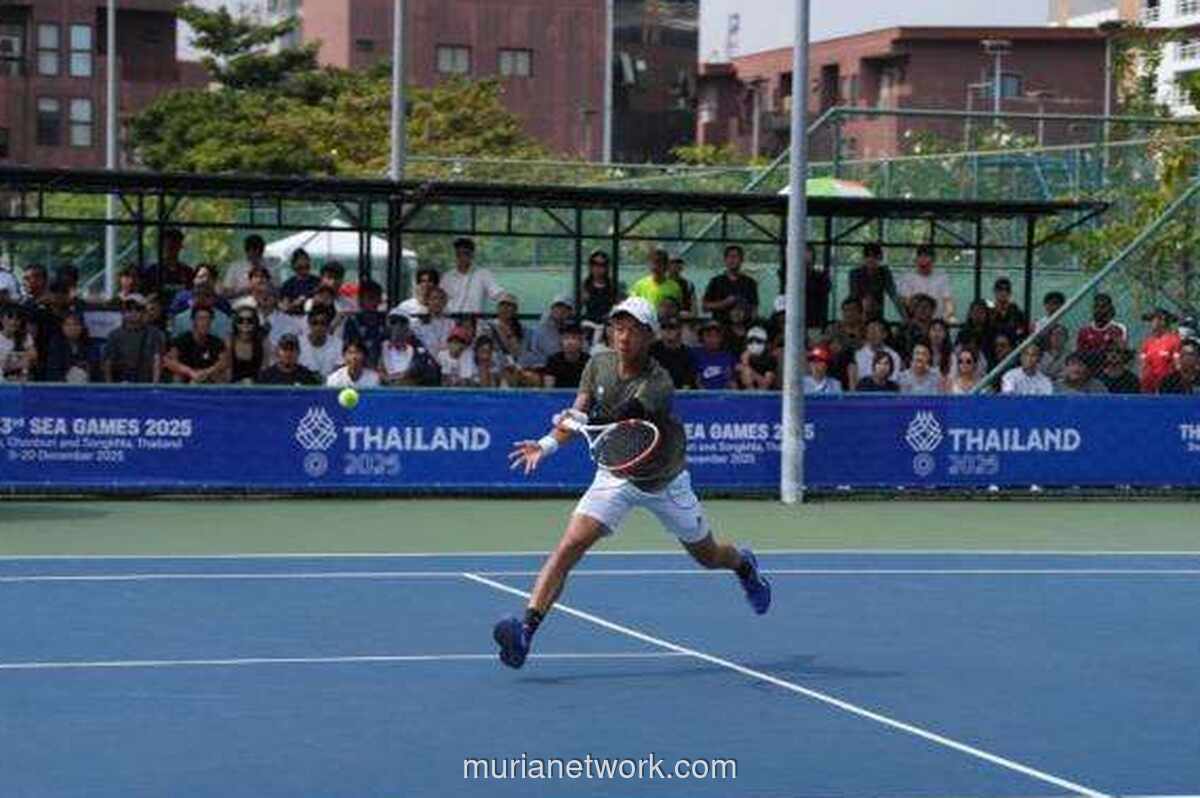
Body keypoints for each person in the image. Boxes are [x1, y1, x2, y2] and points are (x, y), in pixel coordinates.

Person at [495, 297, 771, 669]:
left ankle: (743, 565)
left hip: (665, 481)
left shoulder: (659, 382)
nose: (622, 336)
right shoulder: (598, 364)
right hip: (616, 475)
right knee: (568, 547)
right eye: (617, 327)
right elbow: (579, 410)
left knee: (708, 557)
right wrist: (546, 445)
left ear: (649, 335)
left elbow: (626, 419)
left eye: (632, 329)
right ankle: (525, 630)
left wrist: (582, 420)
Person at [102, 294, 165, 383]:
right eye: (128, 309)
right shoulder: (113, 335)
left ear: (144, 312)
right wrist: (110, 387)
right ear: (123, 312)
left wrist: (154, 387)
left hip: (146, 385)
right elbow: (108, 363)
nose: (133, 312)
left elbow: (157, 360)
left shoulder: (155, 334)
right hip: (120, 385)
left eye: (137, 309)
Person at [441, 237, 507, 314]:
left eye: (466, 253)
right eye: (458, 254)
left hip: (474, 323)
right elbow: (439, 299)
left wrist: (508, 300)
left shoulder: (483, 274)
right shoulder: (447, 277)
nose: (462, 257)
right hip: (451, 323)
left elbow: (497, 293)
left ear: (472, 255)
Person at [163, 306, 226, 384]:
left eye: (208, 318)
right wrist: (190, 372)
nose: (205, 322)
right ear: (193, 321)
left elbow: (223, 362)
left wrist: (207, 372)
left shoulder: (216, 342)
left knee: (219, 377)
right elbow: (170, 362)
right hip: (186, 377)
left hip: (207, 376)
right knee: (177, 376)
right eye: (201, 318)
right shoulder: (181, 340)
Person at [378, 315, 440, 387]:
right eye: (394, 324)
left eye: (402, 325)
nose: (397, 328)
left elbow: (423, 369)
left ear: (408, 330)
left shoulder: (416, 349)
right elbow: (375, 367)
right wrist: (386, 377)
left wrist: (403, 377)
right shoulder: (381, 347)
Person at [898, 244, 955, 321]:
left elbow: (948, 301)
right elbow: (906, 301)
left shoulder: (942, 277)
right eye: (920, 258)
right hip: (915, 321)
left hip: (937, 321)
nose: (923, 262)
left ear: (933, 261)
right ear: (916, 260)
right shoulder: (908, 277)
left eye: (927, 261)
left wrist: (949, 315)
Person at [702, 245, 758, 322]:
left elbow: (754, 308)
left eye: (735, 257)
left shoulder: (750, 283)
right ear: (725, 260)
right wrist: (724, 303)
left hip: (743, 327)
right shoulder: (715, 282)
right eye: (730, 257)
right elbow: (705, 307)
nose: (732, 260)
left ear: (741, 260)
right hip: (720, 327)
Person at [1075, 293, 1127, 372]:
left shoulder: (1118, 328)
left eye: (1103, 307)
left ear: (1110, 309)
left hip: (1109, 370)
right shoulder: (1084, 331)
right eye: (1096, 306)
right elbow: (1080, 353)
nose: (1099, 310)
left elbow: (1121, 351)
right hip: (1088, 370)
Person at [43, 312, 100, 383]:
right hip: (62, 384)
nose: (72, 328)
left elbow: (94, 365)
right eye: (68, 325)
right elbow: (53, 368)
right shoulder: (55, 344)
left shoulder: (90, 344)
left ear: (82, 327)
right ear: (62, 327)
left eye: (76, 324)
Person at [847, 242, 899, 318]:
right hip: (859, 311)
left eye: (875, 257)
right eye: (868, 256)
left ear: (880, 259)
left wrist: (905, 317)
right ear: (864, 258)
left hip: (877, 312)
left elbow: (894, 295)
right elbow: (854, 295)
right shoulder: (855, 273)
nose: (871, 260)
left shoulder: (884, 273)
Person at [1139, 308, 1182, 394]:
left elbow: (1178, 366)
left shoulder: (1174, 341)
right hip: (1149, 387)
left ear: (1162, 321)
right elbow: (1143, 366)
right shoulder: (1147, 343)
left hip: (1169, 386)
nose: (1150, 323)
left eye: (1152, 319)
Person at [524, 295, 574, 368]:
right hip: (544, 369)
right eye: (558, 307)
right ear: (552, 309)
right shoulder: (538, 330)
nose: (561, 311)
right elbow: (532, 355)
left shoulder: (573, 330)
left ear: (570, 312)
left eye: (566, 309)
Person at [140, 228, 194, 295]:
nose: (170, 249)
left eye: (174, 246)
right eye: (167, 245)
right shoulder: (152, 271)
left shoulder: (187, 271)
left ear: (180, 247)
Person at [256, 334, 322, 385]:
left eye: (292, 349)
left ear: (298, 352)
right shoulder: (266, 376)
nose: (288, 353)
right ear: (277, 352)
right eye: (284, 349)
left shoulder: (307, 376)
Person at [649, 316, 696, 389]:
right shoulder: (651, 350)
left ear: (679, 330)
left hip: (679, 394)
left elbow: (690, 380)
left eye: (672, 327)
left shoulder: (687, 353)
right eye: (664, 327)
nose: (667, 331)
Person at [690, 321, 737, 389]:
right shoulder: (695, 354)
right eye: (708, 336)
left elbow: (733, 382)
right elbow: (697, 381)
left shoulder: (729, 356)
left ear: (721, 338)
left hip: (724, 396)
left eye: (716, 336)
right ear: (702, 337)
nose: (713, 340)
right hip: (702, 396)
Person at [298, 307, 343, 378]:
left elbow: (339, 371)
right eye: (315, 323)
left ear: (328, 326)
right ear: (309, 324)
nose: (318, 327)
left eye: (323, 323)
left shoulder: (338, 344)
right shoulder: (298, 343)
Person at [542, 323, 590, 388]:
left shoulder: (589, 361)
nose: (569, 342)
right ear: (561, 342)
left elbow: (591, 387)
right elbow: (549, 389)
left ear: (581, 342)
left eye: (574, 338)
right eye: (566, 338)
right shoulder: (553, 360)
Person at [413, 286, 454, 358]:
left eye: (441, 299)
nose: (437, 302)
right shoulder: (418, 324)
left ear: (445, 302)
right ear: (427, 301)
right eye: (434, 298)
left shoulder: (451, 323)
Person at [228, 308, 266, 384]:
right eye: (240, 320)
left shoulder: (262, 341)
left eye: (249, 320)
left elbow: (265, 369)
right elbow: (227, 370)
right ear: (235, 323)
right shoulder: (229, 340)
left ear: (255, 323)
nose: (245, 323)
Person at [0, 304, 35, 382]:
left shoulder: (25, 337)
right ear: (1, 319)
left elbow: (33, 357)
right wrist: (17, 364)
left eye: (17, 319)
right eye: (10, 317)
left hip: (21, 384)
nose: (13, 322)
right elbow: (3, 367)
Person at [279, 248, 320, 313]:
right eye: (300, 263)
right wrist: (294, 304)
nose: (303, 262)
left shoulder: (318, 282)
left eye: (305, 260)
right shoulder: (287, 285)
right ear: (293, 265)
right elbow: (284, 306)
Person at [737, 326, 777, 390]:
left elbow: (766, 384)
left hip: (765, 394)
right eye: (750, 341)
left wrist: (746, 365)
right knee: (746, 372)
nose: (754, 344)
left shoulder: (770, 359)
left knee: (747, 371)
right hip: (745, 394)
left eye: (758, 341)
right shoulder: (742, 355)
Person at [989, 277, 1027, 342]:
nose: (1004, 293)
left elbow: (1023, 332)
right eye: (1000, 289)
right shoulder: (989, 311)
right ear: (995, 291)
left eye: (1007, 290)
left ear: (1010, 293)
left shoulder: (1017, 312)